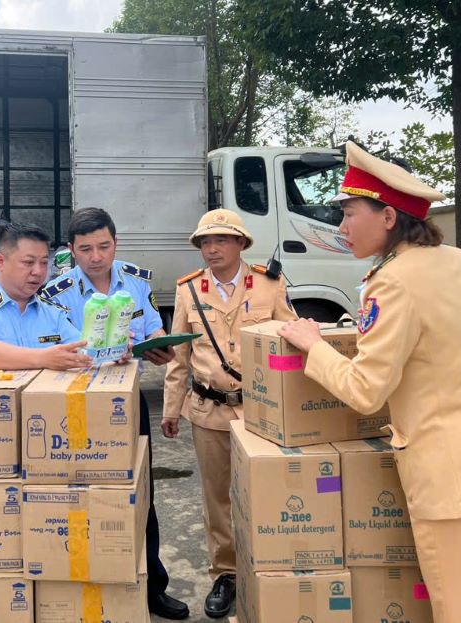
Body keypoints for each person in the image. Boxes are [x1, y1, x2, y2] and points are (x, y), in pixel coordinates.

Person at [276, 141, 461, 622]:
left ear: (387, 217)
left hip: (459, 484)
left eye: (349, 213)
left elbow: (366, 391)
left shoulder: (392, 281)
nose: (341, 227)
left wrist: (313, 345)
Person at [40, 207, 190, 620]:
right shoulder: (57, 293)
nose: (96, 257)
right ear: (71, 251)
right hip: (77, 402)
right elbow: (58, 350)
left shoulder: (137, 280)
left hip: (126, 397)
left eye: (103, 246)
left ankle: (153, 588)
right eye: (85, 249)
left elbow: (154, 328)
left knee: (141, 494)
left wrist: (161, 345)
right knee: (85, 497)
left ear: (115, 243)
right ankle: (91, 588)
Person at [162, 209, 297, 619]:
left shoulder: (270, 285)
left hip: (262, 412)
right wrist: (171, 409)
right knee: (218, 498)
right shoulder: (189, 290)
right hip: (208, 411)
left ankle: (272, 566)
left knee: (268, 492)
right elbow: (178, 356)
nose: (211, 248)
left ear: (241, 244)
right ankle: (227, 574)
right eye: (205, 242)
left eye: (221, 240)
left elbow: (291, 342)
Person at [0, 222, 93, 371]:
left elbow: (83, 350)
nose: (38, 271)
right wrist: (43, 358)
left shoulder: (53, 312)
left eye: (43, 263)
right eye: (28, 262)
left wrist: (113, 354)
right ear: (1, 261)